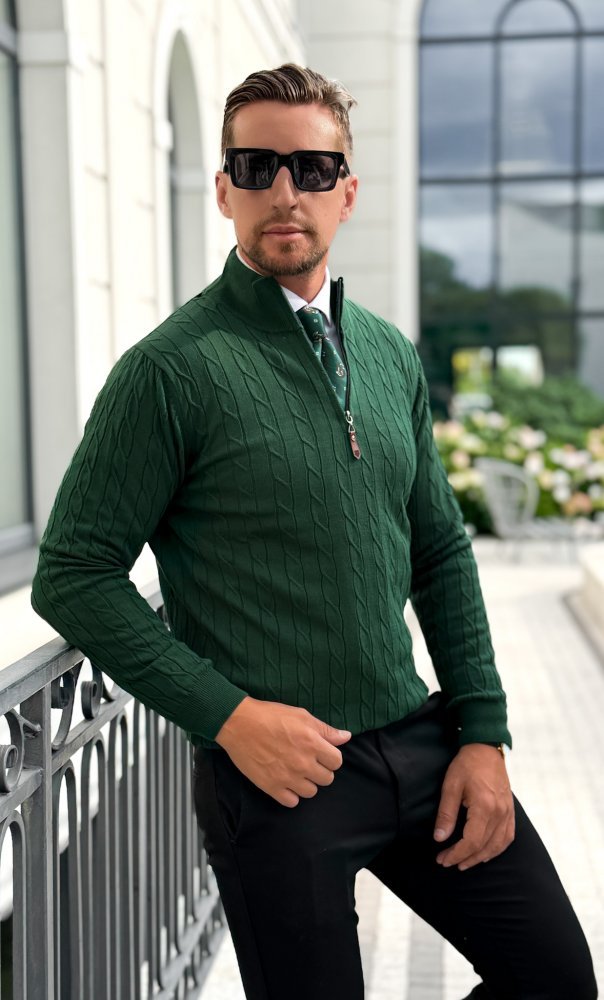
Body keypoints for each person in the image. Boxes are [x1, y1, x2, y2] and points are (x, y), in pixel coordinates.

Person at [32, 64, 597, 1000]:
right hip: (275, 781)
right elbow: (73, 572)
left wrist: (483, 733)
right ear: (224, 190)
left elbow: (440, 551)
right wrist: (229, 717)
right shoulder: (168, 372)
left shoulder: (387, 352)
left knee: (557, 979)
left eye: (312, 168)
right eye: (256, 168)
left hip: (419, 743)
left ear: (348, 191)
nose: (285, 192)